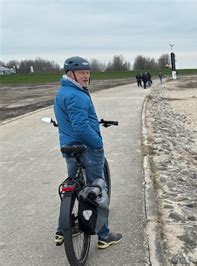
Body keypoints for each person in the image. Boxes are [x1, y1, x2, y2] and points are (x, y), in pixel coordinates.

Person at [53, 56, 122, 249]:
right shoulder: (76, 95)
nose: (86, 76)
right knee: (97, 189)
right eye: (82, 72)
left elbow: (70, 120)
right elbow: (81, 127)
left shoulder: (63, 92)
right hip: (87, 149)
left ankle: (61, 230)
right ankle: (104, 235)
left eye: (88, 72)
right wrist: (98, 142)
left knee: (72, 187)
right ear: (70, 74)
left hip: (69, 147)